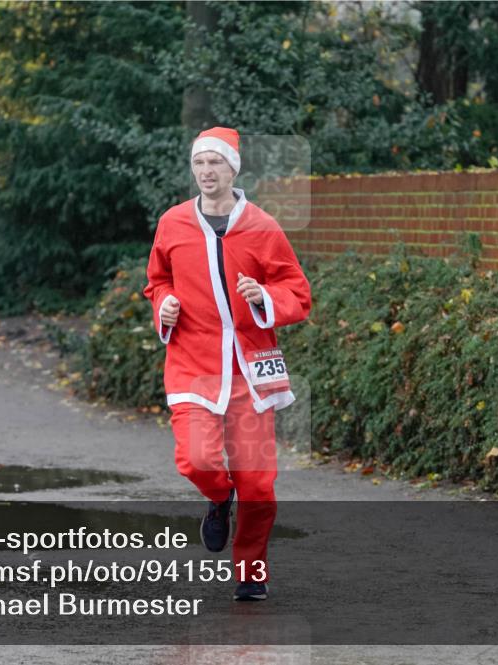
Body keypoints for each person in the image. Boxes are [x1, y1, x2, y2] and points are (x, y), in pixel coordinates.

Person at [144, 126, 311, 601]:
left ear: (232, 168)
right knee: (196, 459)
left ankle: (250, 572)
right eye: (199, 163)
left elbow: (299, 294)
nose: (206, 171)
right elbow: (156, 282)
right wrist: (165, 305)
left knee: (258, 487)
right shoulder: (172, 224)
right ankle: (219, 497)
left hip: (250, 372)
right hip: (192, 363)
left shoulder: (262, 226)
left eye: (215, 163)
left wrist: (265, 297)